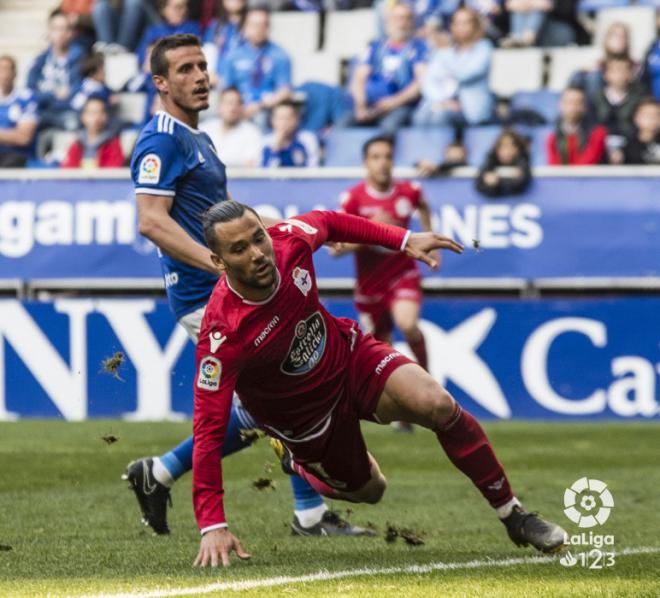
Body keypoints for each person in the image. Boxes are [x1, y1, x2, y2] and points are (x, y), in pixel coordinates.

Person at [190, 200, 567, 567]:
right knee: (371, 490)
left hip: (350, 358)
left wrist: (404, 240)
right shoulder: (223, 334)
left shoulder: (290, 240)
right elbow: (208, 430)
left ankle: (514, 516)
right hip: (307, 420)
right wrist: (213, 524)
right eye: (240, 249)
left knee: (436, 403)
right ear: (219, 263)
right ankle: (298, 462)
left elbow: (330, 221)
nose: (258, 253)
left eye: (259, 238)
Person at [126, 33, 366, 538]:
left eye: (202, 66)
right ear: (161, 83)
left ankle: (160, 473)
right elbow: (151, 221)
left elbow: (231, 214)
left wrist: (283, 235)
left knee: (273, 399)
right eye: (185, 69)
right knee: (282, 395)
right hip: (206, 299)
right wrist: (219, 266)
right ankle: (307, 513)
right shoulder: (161, 139)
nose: (199, 77)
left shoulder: (199, 139)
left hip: (228, 291)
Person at [331, 136, 434, 377]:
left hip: (402, 273)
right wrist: (372, 229)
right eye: (376, 158)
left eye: (388, 157)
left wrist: (432, 243)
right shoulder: (352, 199)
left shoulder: (409, 191)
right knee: (382, 349)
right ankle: (405, 402)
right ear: (366, 163)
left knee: (407, 324)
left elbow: (424, 206)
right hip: (369, 283)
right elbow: (337, 249)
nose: (383, 163)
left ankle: (428, 376)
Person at [349, 2, 427, 134]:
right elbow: (358, 79)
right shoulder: (374, 47)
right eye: (398, 18)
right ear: (387, 21)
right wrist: (360, 105)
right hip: (371, 106)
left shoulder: (419, 48)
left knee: (388, 128)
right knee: (343, 125)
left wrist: (394, 102)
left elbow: (421, 82)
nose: (402, 23)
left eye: (407, 18)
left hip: (403, 106)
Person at [413, 7, 494, 127]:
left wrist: (445, 51)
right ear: (452, 26)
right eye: (457, 23)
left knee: (440, 118)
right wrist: (442, 101)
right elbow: (428, 80)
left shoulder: (484, 48)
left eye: (466, 23)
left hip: (470, 111)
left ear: (476, 26)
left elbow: (464, 74)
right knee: (419, 118)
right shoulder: (445, 52)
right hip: (442, 103)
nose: (461, 27)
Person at [220, 7, 292, 129]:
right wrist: (237, 108)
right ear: (244, 27)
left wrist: (260, 105)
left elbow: (285, 91)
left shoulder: (280, 55)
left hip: (266, 109)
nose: (259, 29)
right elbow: (226, 88)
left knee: (262, 118)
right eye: (254, 25)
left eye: (263, 25)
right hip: (237, 107)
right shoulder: (233, 56)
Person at [27, 9, 85, 130]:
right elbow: (30, 92)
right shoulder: (40, 60)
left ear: (71, 33)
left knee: (73, 123)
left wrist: (45, 98)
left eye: (64, 29)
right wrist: (54, 94)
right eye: (56, 29)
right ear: (49, 32)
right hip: (41, 112)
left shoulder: (80, 59)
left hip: (67, 113)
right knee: (25, 122)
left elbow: (76, 95)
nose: (60, 34)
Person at [199, 86, 262, 167]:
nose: (233, 108)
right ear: (219, 106)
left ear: (241, 107)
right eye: (229, 103)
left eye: (237, 103)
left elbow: (251, 165)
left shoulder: (252, 133)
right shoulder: (203, 129)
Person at [546, 87, 607, 166]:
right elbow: (554, 168)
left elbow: (587, 164)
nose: (572, 107)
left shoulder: (597, 133)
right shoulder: (552, 137)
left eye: (577, 103)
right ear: (560, 105)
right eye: (568, 102)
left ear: (584, 107)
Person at [61, 97, 124, 168]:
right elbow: (68, 169)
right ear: (83, 116)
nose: (96, 117)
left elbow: (113, 170)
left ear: (105, 117)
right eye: (92, 113)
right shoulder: (76, 143)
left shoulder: (113, 143)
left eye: (100, 112)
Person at [0, 55, 39, 168]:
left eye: (7, 69)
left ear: (15, 74)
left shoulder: (26, 99)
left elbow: (24, 138)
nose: (3, 75)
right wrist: (11, 134)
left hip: (18, 156)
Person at [136, 0, 202, 65]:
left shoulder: (192, 28)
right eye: (177, 7)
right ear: (164, 10)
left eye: (184, 6)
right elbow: (141, 58)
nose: (182, 11)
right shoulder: (153, 31)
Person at [261, 101, 320, 168]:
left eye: (288, 118)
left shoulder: (307, 139)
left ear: (297, 120)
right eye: (280, 118)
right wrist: (275, 148)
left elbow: (312, 169)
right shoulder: (265, 142)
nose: (284, 122)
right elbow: (264, 173)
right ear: (272, 120)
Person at [475, 128, 531, 197]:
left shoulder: (523, 160)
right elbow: (480, 183)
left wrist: (498, 181)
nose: (507, 151)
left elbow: (522, 182)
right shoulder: (491, 160)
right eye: (503, 146)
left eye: (511, 146)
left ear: (517, 149)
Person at [202, 0, 247, 84]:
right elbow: (209, 50)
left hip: (244, 81)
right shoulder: (215, 26)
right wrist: (210, 72)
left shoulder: (252, 24)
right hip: (217, 81)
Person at [611, 97, 660, 165]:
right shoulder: (628, 148)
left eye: (657, 115)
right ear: (637, 118)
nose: (652, 119)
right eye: (647, 115)